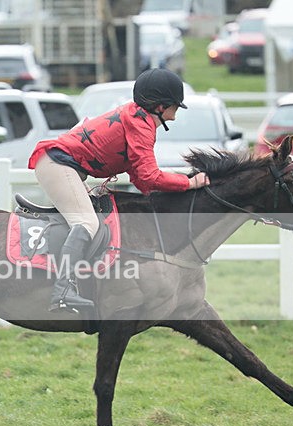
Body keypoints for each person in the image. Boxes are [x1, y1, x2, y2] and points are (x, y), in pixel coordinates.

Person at [28, 68, 211, 314]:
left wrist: (177, 188)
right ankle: (62, 291)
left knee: (93, 221)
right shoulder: (142, 123)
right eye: (174, 108)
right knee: (87, 224)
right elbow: (149, 176)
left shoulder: (139, 118)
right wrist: (188, 184)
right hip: (58, 164)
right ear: (160, 106)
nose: (175, 117)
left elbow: (141, 179)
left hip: (62, 164)